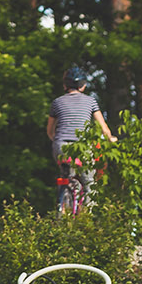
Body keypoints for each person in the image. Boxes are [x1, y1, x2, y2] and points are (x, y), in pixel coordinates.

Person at [47, 66, 116, 207]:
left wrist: (58, 141)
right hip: (83, 147)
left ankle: (63, 201)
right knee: (89, 181)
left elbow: (50, 131)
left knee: (66, 174)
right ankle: (87, 217)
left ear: (65, 85)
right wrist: (111, 139)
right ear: (83, 86)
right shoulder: (91, 102)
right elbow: (104, 128)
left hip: (60, 146)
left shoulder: (56, 102)